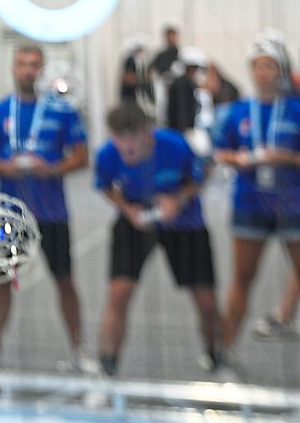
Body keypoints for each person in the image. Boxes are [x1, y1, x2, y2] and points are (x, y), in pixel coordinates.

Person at [0, 45, 96, 372]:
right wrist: (2, 166)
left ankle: (79, 352)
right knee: (1, 280)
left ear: (43, 70)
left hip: (52, 212)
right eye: (22, 64)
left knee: (64, 280)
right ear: (13, 68)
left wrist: (51, 169)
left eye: (34, 65)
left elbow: (81, 157)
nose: (28, 70)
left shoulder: (62, 112)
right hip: (10, 215)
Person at [93, 103, 227, 379]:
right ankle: (107, 367)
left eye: (134, 145)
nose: (128, 151)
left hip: (185, 223)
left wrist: (177, 199)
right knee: (118, 293)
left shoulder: (175, 145)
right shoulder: (107, 154)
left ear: (147, 132)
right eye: (121, 144)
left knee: (207, 301)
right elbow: (105, 185)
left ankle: (217, 359)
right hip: (135, 222)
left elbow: (202, 176)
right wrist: (128, 210)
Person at [213, 42, 300, 370]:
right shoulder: (237, 111)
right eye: (258, 66)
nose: (263, 73)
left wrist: (287, 158)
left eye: (270, 66)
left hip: (293, 203)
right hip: (250, 202)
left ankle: (284, 315)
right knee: (242, 278)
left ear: (281, 71)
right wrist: (238, 159)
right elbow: (220, 151)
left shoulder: (295, 109)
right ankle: (225, 350)